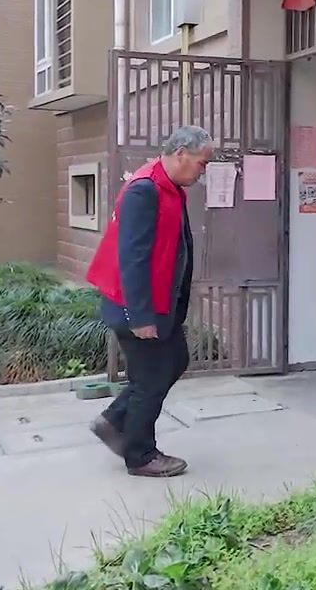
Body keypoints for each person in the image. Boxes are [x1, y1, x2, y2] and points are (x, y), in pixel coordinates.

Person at [84, 125, 213, 478]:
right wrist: (140, 316)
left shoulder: (168, 187)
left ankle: (113, 421)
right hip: (136, 306)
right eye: (202, 163)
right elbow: (132, 258)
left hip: (158, 304)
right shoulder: (145, 190)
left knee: (174, 360)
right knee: (150, 379)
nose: (203, 172)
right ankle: (140, 455)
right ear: (181, 154)